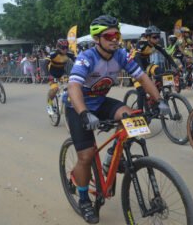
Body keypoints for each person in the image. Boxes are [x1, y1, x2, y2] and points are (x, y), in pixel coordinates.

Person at [65, 15, 170, 224]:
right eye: (109, 35)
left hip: (100, 101)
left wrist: (158, 101)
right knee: (85, 157)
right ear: (97, 39)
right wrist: (84, 113)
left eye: (117, 34)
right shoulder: (87, 58)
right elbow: (74, 86)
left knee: (131, 117)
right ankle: (84, 198)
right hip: (78, 106)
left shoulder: (121, 55)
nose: (115, 39)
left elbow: (142, 77)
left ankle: (112, 156)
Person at [129, 25, 178, 109]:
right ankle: (140, 114)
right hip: (134, 66)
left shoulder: (155, 45)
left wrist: (176, 67)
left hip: (146, 64)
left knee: (161, 72)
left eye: (158, 37)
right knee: (141, 91)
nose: (157, 39)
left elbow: (166, 55)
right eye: (154, 37)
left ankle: (154, 100)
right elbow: (137, 57)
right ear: (148, 37)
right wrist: (142, 71)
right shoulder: (141, 43)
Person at [45, 39, 75, 115]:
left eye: (66, 47)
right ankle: (49, 104)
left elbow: (78, 62)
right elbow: (44, 64)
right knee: (55, 89)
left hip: (62, 74)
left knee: (71, 87)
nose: (65, 50)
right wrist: (47, 75)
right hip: (52, 74)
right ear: (58, 47)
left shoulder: (69, 53)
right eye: (63, 48)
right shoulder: (53, 54)